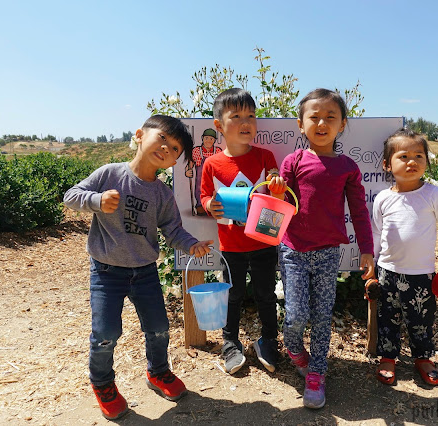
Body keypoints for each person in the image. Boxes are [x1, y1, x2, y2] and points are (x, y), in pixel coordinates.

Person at [63, 115, 213, 420]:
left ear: (174, 161)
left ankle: (158, 372)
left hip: (144, 272)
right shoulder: (110, 174)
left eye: (174, 149)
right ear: (140, 135)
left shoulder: (162, 194)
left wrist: (191, 245)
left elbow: (173, 230)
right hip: (106, 272)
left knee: (159, 328)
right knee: (105, 332)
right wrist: (97, 199)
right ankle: (103, 383)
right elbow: (71, 196)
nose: (166, 149)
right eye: (162, 139)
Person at [278, 88, 375, 409]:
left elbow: (360, 210)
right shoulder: (293, 161)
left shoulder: (347, 167)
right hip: (292, 250)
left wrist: (366, 249)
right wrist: (278, 189)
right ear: (300, 124)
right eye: (314, 117)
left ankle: (317, 373)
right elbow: (278, 205)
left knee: (321, 317)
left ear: (342, 124)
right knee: (295, 316)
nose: (322, 122)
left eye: (330, 117)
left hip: (327, 253)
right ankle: (293, 347)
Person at [371, 128, 438, 386]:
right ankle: (388, 357)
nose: (412, 162)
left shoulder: (433, 195)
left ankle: (423, 358)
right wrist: (372, 270)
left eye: (419, 156)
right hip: (388, 271)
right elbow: (376, 234)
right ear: (387, 165)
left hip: (422, 274)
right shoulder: (383, 199)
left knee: (421, 320)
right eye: (403, 156)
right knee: (388, 318)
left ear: (427, 162)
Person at [200, 88, 287, 375]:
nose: (245, 122)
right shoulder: (212, 163)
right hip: (230, 245)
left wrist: (277, 187)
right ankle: (229, 343)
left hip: (263, 241)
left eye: (250, 116)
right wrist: (211, 204)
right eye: (235, 116)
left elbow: (278, 195)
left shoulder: (265, 156)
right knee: (232, 294)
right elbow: (204, 198)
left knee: (265, 293)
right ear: (219, 125)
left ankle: (269, 341)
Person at [185, 128, 222, 216]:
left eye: (211, 139)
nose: (208, 141)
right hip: (200, 179)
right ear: (202, 138)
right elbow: (190, 163)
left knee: (215, 190)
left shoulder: (217, 151)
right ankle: (200, 206)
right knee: (199, 189)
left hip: (214, 178)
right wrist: (187, 171)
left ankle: (215, 206)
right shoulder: (197, 151)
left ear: (214, 140)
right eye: (206, 138)